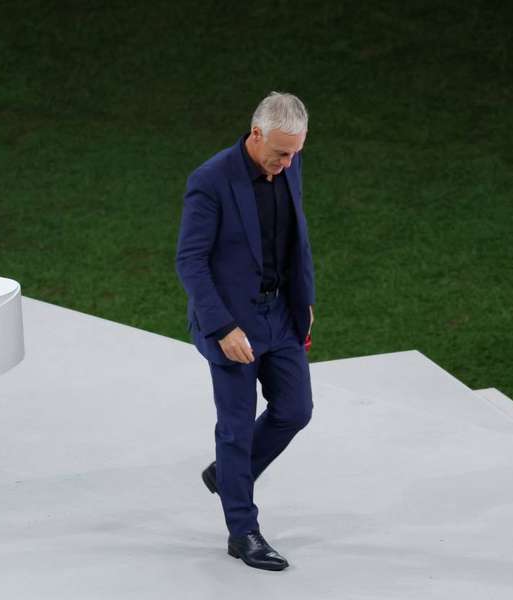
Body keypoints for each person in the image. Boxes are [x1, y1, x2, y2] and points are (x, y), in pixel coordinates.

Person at [175, 91, 315, 571]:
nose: (287, 162)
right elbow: (189, 262)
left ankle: (228, 476)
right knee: (235, 429)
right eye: (280, 152)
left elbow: (297, 237)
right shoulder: (210, 180)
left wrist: (306, 299)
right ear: (256, 134)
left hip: (281, 316)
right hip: (232, 324)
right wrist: (222, 326)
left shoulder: (288, 163)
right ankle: (243, 532)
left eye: (295, 153)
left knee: (295, 410)